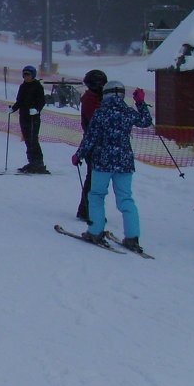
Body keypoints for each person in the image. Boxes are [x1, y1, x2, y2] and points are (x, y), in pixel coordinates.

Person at [71, 80, 152, 253]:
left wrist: (79, 155)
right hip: (124, 162)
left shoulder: (101, 113)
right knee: (125, 198)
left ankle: (95, 232)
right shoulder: (128, 112)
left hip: (102, 162)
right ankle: (132, 237)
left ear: (105, 94)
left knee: (97, 195)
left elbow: (90, 137)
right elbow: (146, 121)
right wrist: (140, 102)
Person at [75, 69, 107, 224]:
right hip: (93, 144)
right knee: (94, 178)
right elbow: (95, 120)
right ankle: (87, 210)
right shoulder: (90, 99)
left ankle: (87, 209)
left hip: (99, 144)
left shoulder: (98, 97)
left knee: (96, 178)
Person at [10, 65, 46, 173]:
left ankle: (38, 163)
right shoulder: (23, 86)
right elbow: (19, 101)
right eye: (24, 74)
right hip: (24, 116)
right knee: (27, 140)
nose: (26, 77)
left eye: (28, 74)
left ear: (33, 75)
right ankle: (31, 162)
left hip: (33, 118)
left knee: (33, 140)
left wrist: (37, 109)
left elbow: (42, 101)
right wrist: (13, 109)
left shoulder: (37, 86)